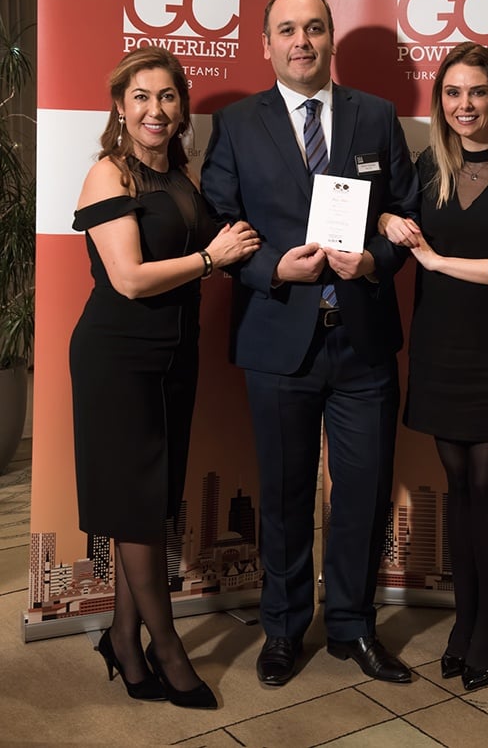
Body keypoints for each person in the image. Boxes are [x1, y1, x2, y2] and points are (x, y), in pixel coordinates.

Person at [201, 0, 419, 686]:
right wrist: (272, 268)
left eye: (315, 28)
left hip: (362, 338)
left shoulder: (376, 116)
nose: (303, 41)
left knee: (362, 493)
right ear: (266, 43)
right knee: (285, 494)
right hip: (277, 338)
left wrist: (375, 260)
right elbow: (217, 216)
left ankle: (353, 627)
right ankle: (284, 629)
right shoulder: (237, 123)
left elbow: (404, 209)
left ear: (331, 39)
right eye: (288, 29)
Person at [69, 47, 260, 709]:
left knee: (149, 506)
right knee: (135, 505)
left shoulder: (178, 176)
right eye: (142, 97)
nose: (156, 109)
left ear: (182, 110)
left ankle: (123, 639)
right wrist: (211, 257)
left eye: (168, 96)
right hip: (118, 358)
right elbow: (127, 278)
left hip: (176, 356)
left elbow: (224, 242)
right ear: (121, 108)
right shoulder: (109, 174)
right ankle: (167, 648)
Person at [379, 41, 488, 691]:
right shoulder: (429, 167)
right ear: (440, 102)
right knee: (457, 486)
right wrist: (389, 223)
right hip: (440, 348)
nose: (465, 105)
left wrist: (434, 261)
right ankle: (463, 620)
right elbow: (391, 220)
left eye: (477, 91)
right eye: (453, 92)